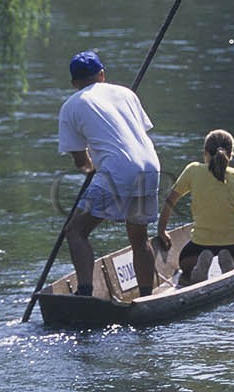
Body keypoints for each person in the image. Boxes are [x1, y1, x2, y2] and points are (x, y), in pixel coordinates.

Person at [58, 51, 160, 298]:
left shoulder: (71, 105)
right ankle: (147, 296)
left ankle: (84, 293)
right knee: (139, 236)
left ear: (74, 83)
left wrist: (95, 170)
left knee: (76, 231)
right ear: (102, 75)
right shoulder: (126, 93)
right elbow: (136, 131)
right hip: (150, 166)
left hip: (117, 171)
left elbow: (82, 162)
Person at [157, 129, 234, 284]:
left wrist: (161, 230)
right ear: (230, 155)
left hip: (200, 244)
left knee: (184, 266)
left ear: (205, 153)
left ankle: (196, 270)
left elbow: (170, 201)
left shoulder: (193, 170)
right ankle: (227, 263)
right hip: (233, 245)